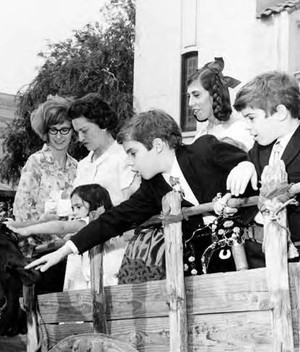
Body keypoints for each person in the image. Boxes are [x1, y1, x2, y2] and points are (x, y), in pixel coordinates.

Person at [27, 109, 254, 277]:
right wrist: (65, 250)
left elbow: (252, 166)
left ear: (157, 145)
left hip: (253, 261)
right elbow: (113, 220)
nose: (130, 162)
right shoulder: (153, 188)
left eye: (133, 153)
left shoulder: (204, 149)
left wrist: (246, 166)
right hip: (208, 273)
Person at [233, 71, 300, 267]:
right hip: (262, 251)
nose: (247, 126)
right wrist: (245, 165)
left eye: (251, 118)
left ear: (280, 113)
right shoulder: (260, 150)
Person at [12, 184, 121, 289]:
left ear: (97, 204)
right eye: (73, 208)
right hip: (104, 280)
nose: (74, 213)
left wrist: (28, 230)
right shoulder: (110, 222)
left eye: (78, 207)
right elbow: (65, 239)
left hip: (104, 283)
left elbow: (62, 227)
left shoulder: (90, 222)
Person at [13, 95, 78, 222]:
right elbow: (21, 209)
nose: (59, 136)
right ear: (45, 132)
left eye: (64, 130)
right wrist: (42, 221)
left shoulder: (77, 167)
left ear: (73, 130)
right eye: (53, 130)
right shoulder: (36, 162)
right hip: (39, 238)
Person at [69, 93, 139, 206]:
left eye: (84, 131)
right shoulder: (83, 165)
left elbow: (130, 204)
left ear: (103, 124)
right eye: (77, 132)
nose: (80, 138)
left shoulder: (125, 158)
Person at [188, 57, 254, 151]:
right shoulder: (201, 134)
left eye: (196, 95)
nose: (190, 103)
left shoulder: (239, 131)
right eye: (188, 97)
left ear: (214, 94)